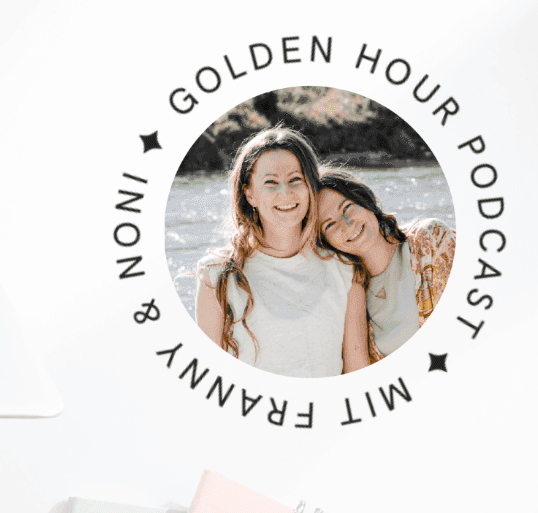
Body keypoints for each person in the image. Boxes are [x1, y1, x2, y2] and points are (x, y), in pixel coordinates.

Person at [195, 128, 369, 377]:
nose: (285, 192)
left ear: (311, 187)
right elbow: (210, 379)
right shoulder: (217, 275)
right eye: (271, 182)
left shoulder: (345, 269)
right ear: (249, 194)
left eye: (296, 179)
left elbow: (357, 373)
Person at [316, 169, 457, 361]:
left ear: (363, 199)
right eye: (329, 225)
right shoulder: (350, 294)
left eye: (347, 207)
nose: (346, 224)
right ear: (325, 241)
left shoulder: (431, 239)